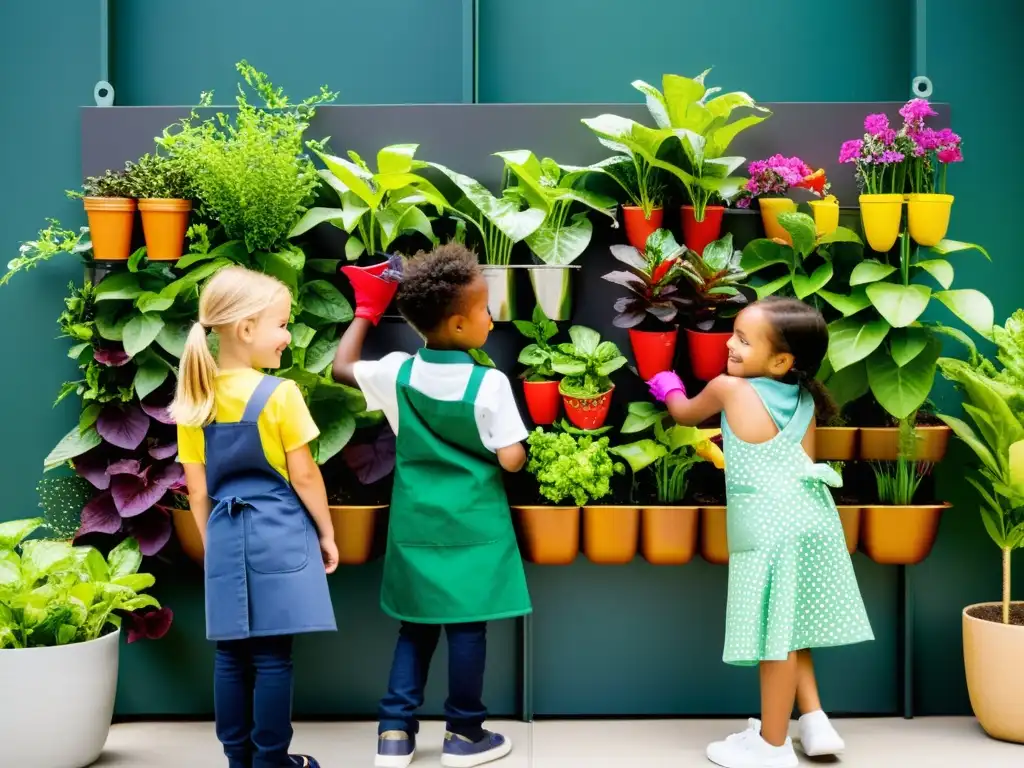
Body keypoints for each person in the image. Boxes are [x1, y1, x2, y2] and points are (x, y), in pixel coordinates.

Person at [648, 297, 873, 768]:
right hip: (812, 517)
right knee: (790, 625)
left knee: (776, 637)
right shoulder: (806, 399)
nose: (730, 344)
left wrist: (666, 386)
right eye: (734, 334)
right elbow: (802, 460)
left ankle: (772, 746)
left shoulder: (729, 388)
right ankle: (814, 722)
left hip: (766, 528)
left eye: (743, 340)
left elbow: (686, 413)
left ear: (781, 360)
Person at [333, 243, 532, 768]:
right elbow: (512, 459)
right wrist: (509, 450)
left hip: (415, 526)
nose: (491, 316)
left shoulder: (396, 372)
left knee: (415, 626)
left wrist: (367, 309)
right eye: (485, 309)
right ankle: (464, 734)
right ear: (461, 327)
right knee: (468, 627)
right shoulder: (488, 382)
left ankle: (394, 734)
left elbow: (341, 367)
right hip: (473, 528)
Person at [174, 266, 339, 768]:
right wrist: (327, 533)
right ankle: (273, 760)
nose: (288, 336)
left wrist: (212, 542)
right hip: (280, 533)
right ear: (246, 329)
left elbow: (197, 488)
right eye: (283, 325)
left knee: (230, 656)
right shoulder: (280, 395)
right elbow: (305, 475)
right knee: (272, 657)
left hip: (224, 533)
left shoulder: (195, 402)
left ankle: (237, 758)